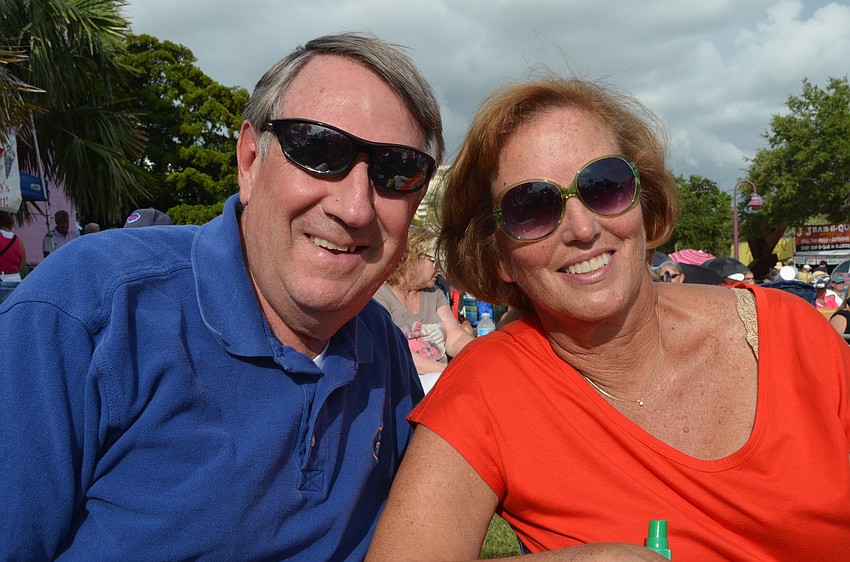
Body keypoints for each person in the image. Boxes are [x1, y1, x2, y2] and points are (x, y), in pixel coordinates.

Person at [367, 75, 850, 561]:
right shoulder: (487, 389)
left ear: (643, 199)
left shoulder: (794, 335)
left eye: (604, 186)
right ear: (499, 258)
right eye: (532, 206)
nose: (582, 228)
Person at [0, 31, 443, 560]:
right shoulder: (90, 312)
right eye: (320, 149)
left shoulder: (383, 349)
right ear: (251, 159)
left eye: (397, 170)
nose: (355, 208)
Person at [373, 226, 474, 389]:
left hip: (441, 380)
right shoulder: (379, 295)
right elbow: (394, 353)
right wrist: (450, 372)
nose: (439, 269)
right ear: (411, 258)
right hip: (403, 384)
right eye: (434, 261)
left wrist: (479, 351)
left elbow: (454, 337)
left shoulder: (434, 293)